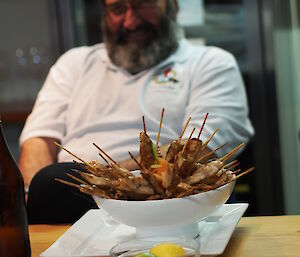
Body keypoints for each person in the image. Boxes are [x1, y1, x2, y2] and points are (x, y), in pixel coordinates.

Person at [19, 0, 254, 224]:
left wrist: (105, 178)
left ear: (172, 5)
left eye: (143, 4)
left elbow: (198, 149)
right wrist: (31, 192)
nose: (131, 22)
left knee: (52, 182)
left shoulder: (211, 63)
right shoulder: (73, 63)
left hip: (164, 203)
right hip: (65, 197)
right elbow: (38, 140)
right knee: (46, 184)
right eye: (118, 8)